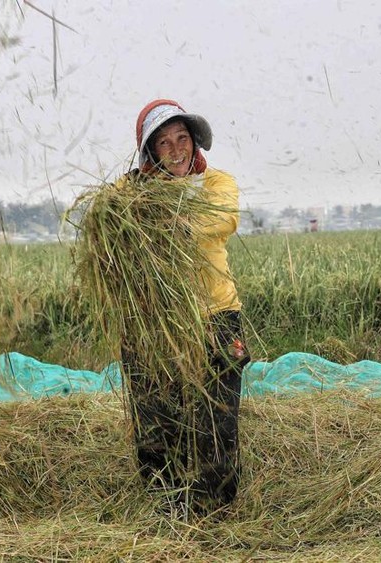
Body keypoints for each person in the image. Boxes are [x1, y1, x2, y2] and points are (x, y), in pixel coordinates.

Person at [119, 99, 250, 516]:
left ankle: (214, 506)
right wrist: (133, 203)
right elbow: (100, 220)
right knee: (157, 417)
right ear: (149, 152)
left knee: (217, 418)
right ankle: (165, 503)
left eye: (182, 138)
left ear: (195, 142)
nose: (176, 150)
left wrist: (168, 220)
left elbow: (221, 218)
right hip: (154, 322)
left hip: (216, 317)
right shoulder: (133, 192)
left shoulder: (217, 183)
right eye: (163, 142)